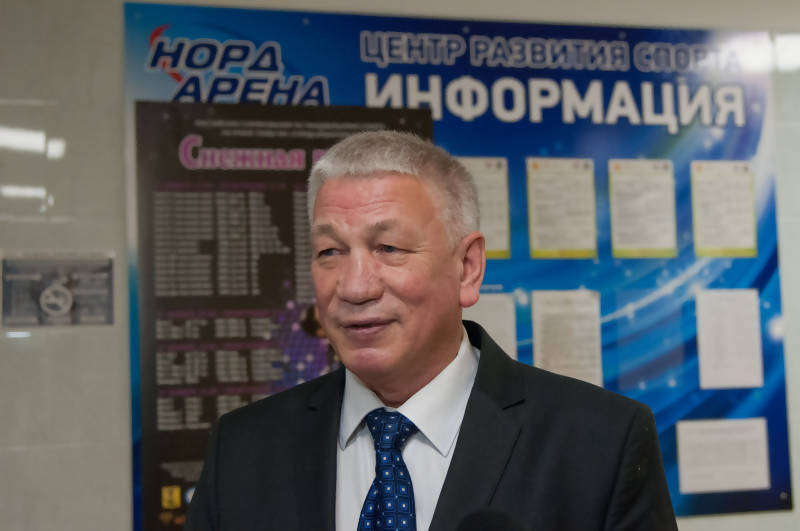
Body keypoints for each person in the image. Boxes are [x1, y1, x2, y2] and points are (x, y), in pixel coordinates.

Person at [185, 131, 678, 531]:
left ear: (467, 268)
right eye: (329, 252)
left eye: (389, 248)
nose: (354, 287)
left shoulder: (601, 443)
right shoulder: (243, 449)